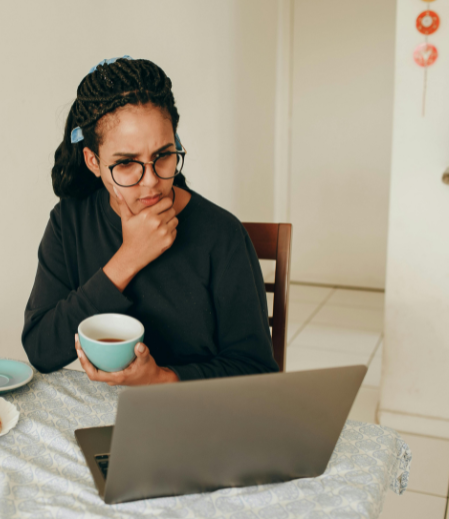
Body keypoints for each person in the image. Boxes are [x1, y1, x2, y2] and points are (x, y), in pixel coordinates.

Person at [22, 56, 278, 386]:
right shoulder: (69, 222)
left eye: (163, 156)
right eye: (126, 163)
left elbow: (258, 371)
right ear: (93, 162)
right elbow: (41, 348)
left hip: (195, 411)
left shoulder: (222, 235)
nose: (151, 181)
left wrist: (162, 378)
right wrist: (128, 258)